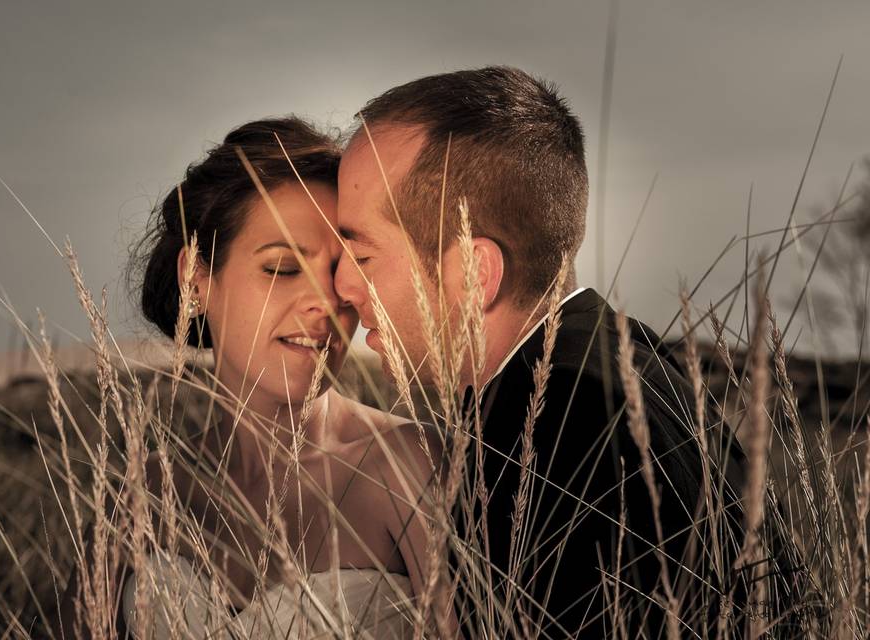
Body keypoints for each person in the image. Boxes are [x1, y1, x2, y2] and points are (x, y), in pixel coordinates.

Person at [334, 67, 802, 637]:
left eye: (362, 257)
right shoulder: (629, 362)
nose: (341, 287)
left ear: (474, 274)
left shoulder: (559, 428)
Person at [58, 118, 441, 639]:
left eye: (345, 272)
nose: (326, 302)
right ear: (195, 277)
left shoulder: (408, 468)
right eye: (282, 267)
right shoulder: (141, 493)